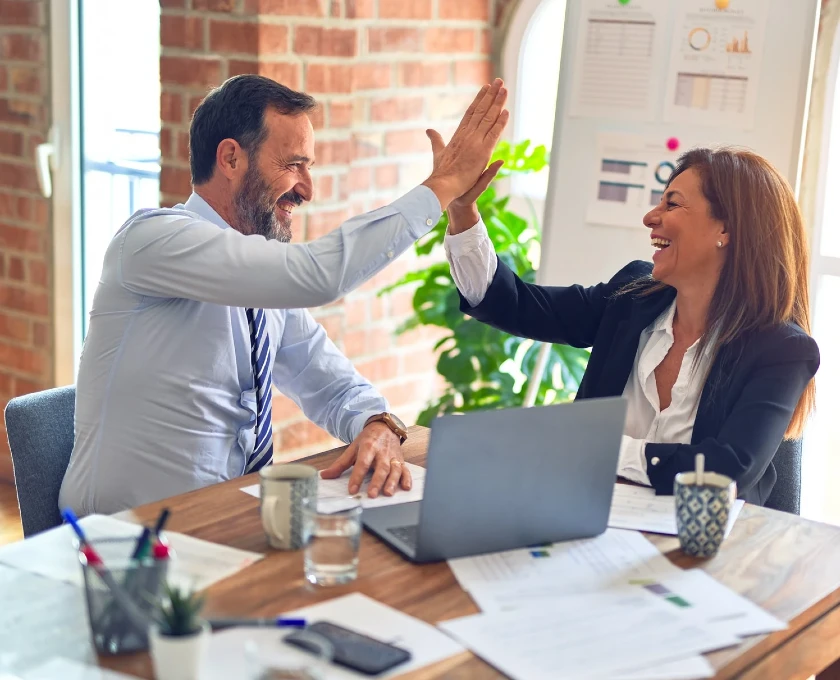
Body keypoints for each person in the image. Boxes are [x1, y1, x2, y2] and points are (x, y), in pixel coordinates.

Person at [59, 74, 509, 515]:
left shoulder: (260, 283)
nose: (307, 189)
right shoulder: (152, 241)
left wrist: (378, 423)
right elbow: (318, 276)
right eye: (294, 164)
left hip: (225, 524)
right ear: (231, 159)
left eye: (308, 167)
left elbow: (330, 382)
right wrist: (443, 185)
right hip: (122, 543)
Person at [443, 146, 819, 505]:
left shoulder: (782, 350)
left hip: (705, 551)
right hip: (588, 521)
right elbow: (516, 304)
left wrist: (598, 447)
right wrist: (462, 211)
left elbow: (725, 472)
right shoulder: (632, 297)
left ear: (726, 230)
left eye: (672, 203)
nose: (650, 217)